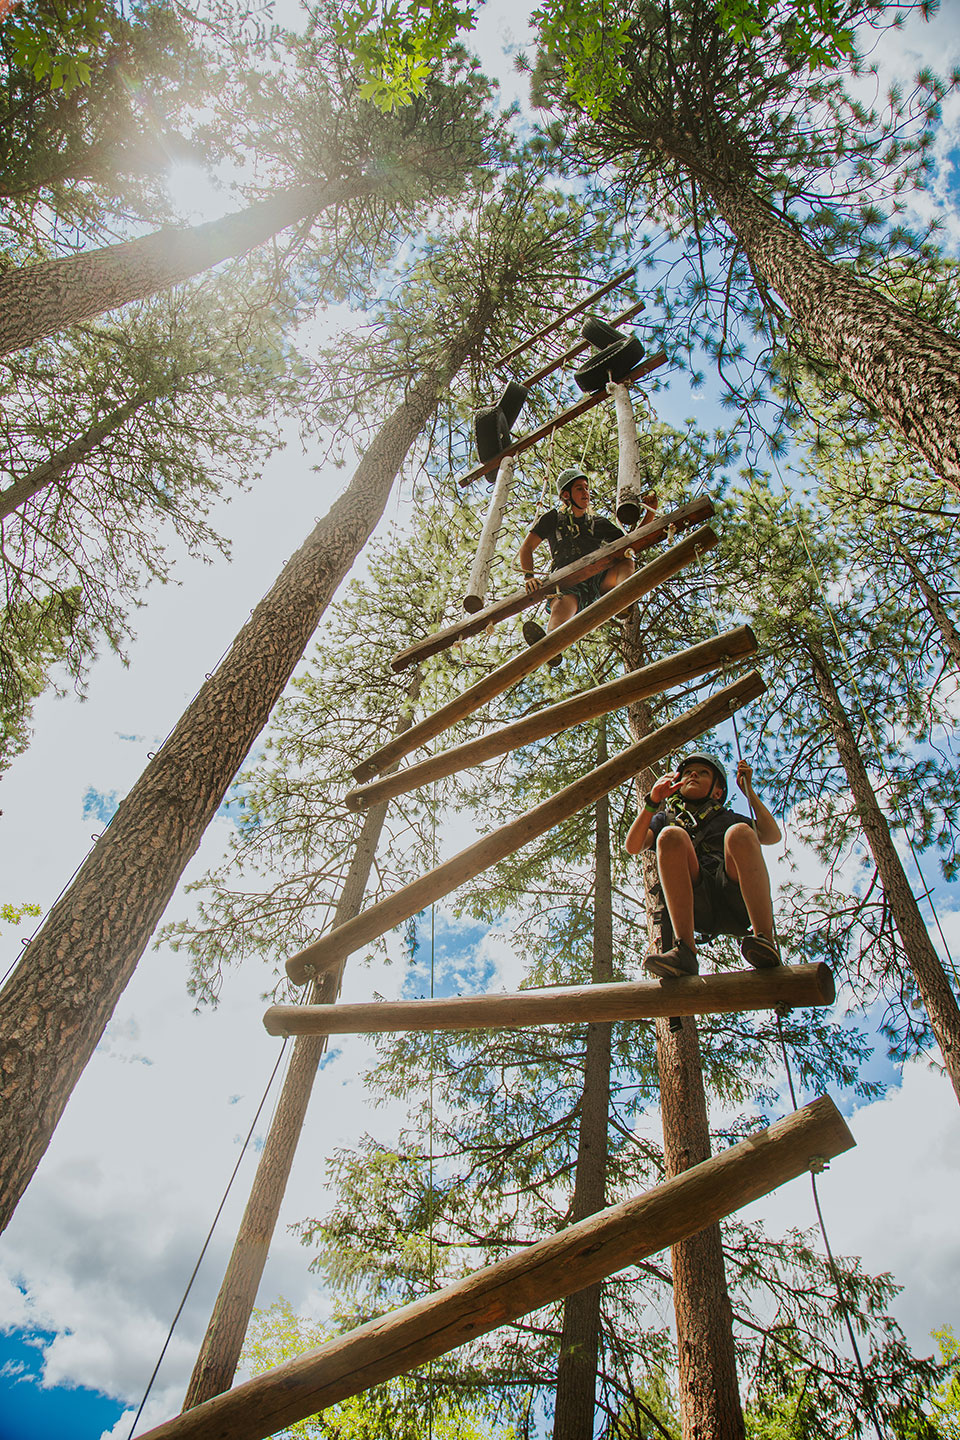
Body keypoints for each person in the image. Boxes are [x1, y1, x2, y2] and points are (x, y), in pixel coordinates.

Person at [624, 752, 782, 978]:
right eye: (687, 773)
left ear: (718, 792)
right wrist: (653, 802)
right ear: (678, 784)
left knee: (739, 833)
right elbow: (633, 845)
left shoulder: (727, 817)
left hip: (735, 894)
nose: (693, 774)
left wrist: (749, 794)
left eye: (703, 772)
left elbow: (771, 835)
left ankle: (764, 939)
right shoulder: (667, 818)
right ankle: (685, 951)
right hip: (694, 904)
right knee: (670, 836)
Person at [515, 469, 644, 666]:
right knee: (562, 602)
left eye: (587, 488)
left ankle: (623, 598)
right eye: (579, 488)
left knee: (626, 557)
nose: (586, 493)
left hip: (599, 581)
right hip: (568, 582)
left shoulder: (596, 522)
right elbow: (527, 548)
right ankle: (551, 645)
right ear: (566, 495)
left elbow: (632, 542)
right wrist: (528, 577)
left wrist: (649, 515)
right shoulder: (553, 519)